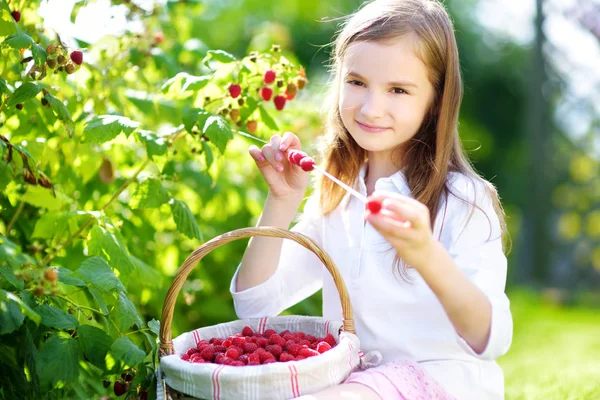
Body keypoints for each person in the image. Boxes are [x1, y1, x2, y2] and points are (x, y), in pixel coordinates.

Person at [229, 0, 513, 398]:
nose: (371, 107)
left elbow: (493, 338)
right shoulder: (336, 197)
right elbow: (255, 305)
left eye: (398, 89)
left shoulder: (463, 199)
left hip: (438, 386)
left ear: (434, 102)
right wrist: (282, 201)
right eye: (357, 82)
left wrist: (425, 255)